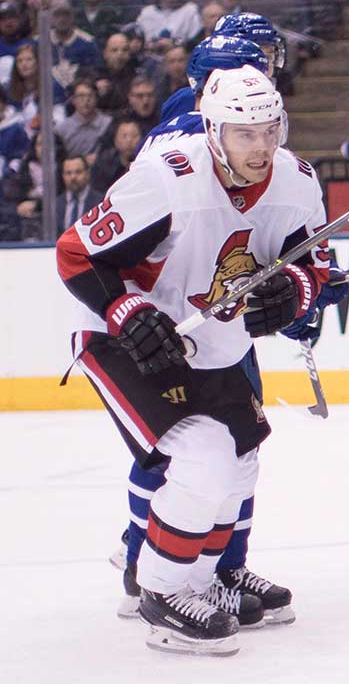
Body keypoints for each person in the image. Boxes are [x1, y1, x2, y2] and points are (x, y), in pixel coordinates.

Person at [55, 66, 326, 656]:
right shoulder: (167, 179)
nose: (261, 146)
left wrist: (297, 290)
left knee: (241, 462)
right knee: (203, 455)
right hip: (127, 341)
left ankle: (198, 584)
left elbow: (312, 260)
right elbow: (76, 253)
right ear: (212, 130)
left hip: (215, 344)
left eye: (269, 129)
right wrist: (124, 308)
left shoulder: (298, 180)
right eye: (244, 133)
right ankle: (159, 590)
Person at [88, 115, 143, 191]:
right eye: (124, 136)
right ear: (115, 140)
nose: (129, 141)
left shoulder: (145, 162)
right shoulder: (103, 164)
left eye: (134, 136)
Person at [56, 153, 103, 231]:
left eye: (78, 172)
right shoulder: (56, 204)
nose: (73, 177)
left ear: (87, 174)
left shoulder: (100, 203)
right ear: (63, 176)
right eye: (68, 173)